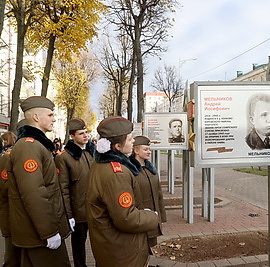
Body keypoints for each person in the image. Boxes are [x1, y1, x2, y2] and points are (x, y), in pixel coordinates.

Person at [86, 116, 159, 267]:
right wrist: (152, 216)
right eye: (130, 138)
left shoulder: (100, 164)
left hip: (110, 246)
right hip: (122, 252)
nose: (133, 141)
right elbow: (126, 218)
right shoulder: (117, 174)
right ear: (118, 147)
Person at [7, 96, 71, 266]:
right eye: (50, 115)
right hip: (39, 234)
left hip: (40, 230)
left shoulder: (37, 144)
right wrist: (48, 232)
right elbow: (34, 193)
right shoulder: (29, 146)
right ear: (36, 117)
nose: (54, 119)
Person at [55, 118, 95, 267]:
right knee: (79, 246)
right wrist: (69, 215)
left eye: (86, 132)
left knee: (100, 243)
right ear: (72, 136)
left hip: (96, 208)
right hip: (78, 211)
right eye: (81, 133)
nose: (86, 136)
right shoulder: (64, 157)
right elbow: (63, 188)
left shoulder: (92, 153)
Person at [130, 135, 167, 248]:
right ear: (136, 150)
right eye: (145, 149)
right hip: (139, 219)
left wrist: (161, 216)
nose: (149, 152)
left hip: (152, 216)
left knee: (150, 245)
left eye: (149, 149)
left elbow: (159, 194)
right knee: (139, 247)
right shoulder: (130, 170)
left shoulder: (151, 170)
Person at [0, 130, 20, 266]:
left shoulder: (9, 155)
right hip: (10, 209)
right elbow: (4, 186)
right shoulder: (7, 156)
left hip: (13, 210)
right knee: (11, 255)